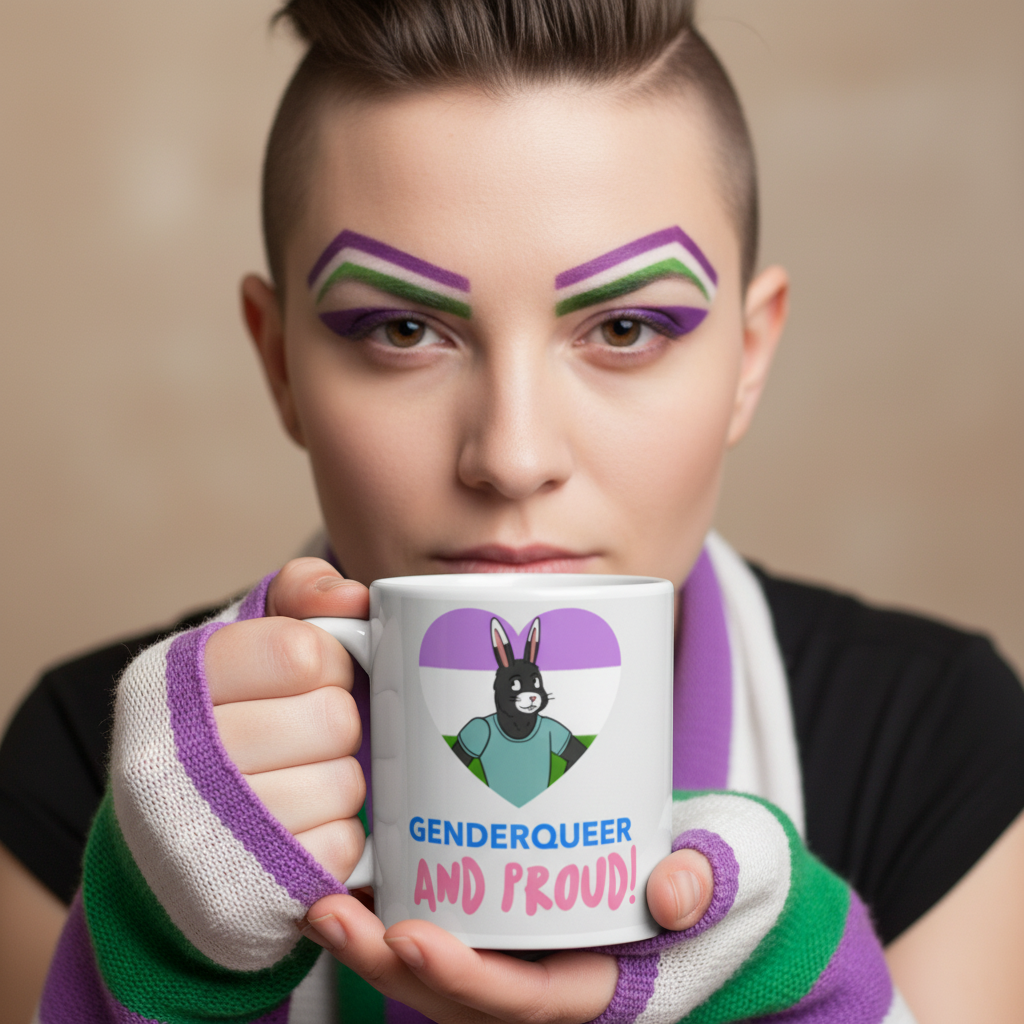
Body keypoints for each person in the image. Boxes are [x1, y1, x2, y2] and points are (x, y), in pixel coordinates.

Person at [2, 1, 1023, 1022]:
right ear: (280, 365)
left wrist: (813, 992)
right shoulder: (85, 766)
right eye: (402, 329)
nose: (513, 456)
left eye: (625, 327)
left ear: (747, 360)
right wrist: (150, 964)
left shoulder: (934, 740)